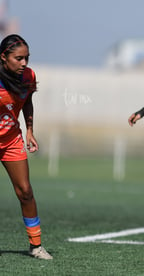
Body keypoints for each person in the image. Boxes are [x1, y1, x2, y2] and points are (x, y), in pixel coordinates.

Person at [0, 34, 52, 259]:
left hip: (11, 140)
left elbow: (27, 101)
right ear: (4, 57)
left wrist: (29, 130)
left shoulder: (28, 76)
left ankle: (36, 246)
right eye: (18, 58)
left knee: (26, 191)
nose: (24, 63)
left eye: (27, 58)